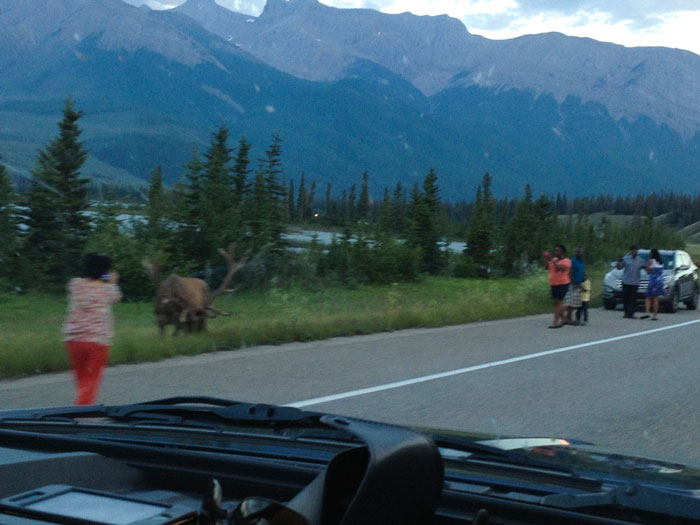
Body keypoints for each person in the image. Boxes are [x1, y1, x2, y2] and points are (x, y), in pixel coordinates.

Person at [62, 253, 121, 405]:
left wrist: (102, 277)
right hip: (98, 339)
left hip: (74, 338)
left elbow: (74, 293)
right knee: (92, 379)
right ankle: (82, 413)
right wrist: (112, 281)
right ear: (105, 271)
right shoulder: (108, 289)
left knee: (81, 378)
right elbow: (117, 298)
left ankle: (83, 405)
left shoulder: (74, 284)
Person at [544, 244, 571, 329]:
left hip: (562, 283)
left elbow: (560, 268)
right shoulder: (554, 259)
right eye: (555, 250)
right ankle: (564, 319)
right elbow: (547, 267)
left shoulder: (566, 261)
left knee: (557, 302)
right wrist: (547, 259)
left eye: (558, 250)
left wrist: (552, 259)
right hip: (554, 284)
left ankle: (555, 322)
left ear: (563, 252)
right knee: (557, 302)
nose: (556, 252)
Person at [616, 244, 645, 319]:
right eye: (633, 250)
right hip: (626, 281)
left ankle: (631, 313)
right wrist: (618, 262)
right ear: (631, 251)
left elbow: (646, 268)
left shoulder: (640, 260)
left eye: (636, 250)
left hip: (635, 282)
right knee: (626, 298)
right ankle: (626, 313)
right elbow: (619, 267)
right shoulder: (626, 259)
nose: (634, 252)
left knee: (633, 299)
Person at [641, 248, 665, 320]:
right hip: (660, 280)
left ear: (652, 254)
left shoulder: (650, 261)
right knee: (656, 298)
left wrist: (646, 268)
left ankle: (647, 312)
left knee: (648, 297)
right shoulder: (661, 262)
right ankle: (655, 315)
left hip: (653, 280)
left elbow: (648, 271)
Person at [565, 247, 585, 325]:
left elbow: (582, 272)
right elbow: (569, 272)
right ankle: (568, 319)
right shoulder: (573, 261)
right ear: (575, 253)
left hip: (578, 284)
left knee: (575, 304)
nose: (580, 253)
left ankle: (567, 318)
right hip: (573, 284)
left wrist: (583, 280)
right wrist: (572, 282)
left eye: (581, 252)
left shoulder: (581, 262)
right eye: (578, 252)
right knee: (571, 303)